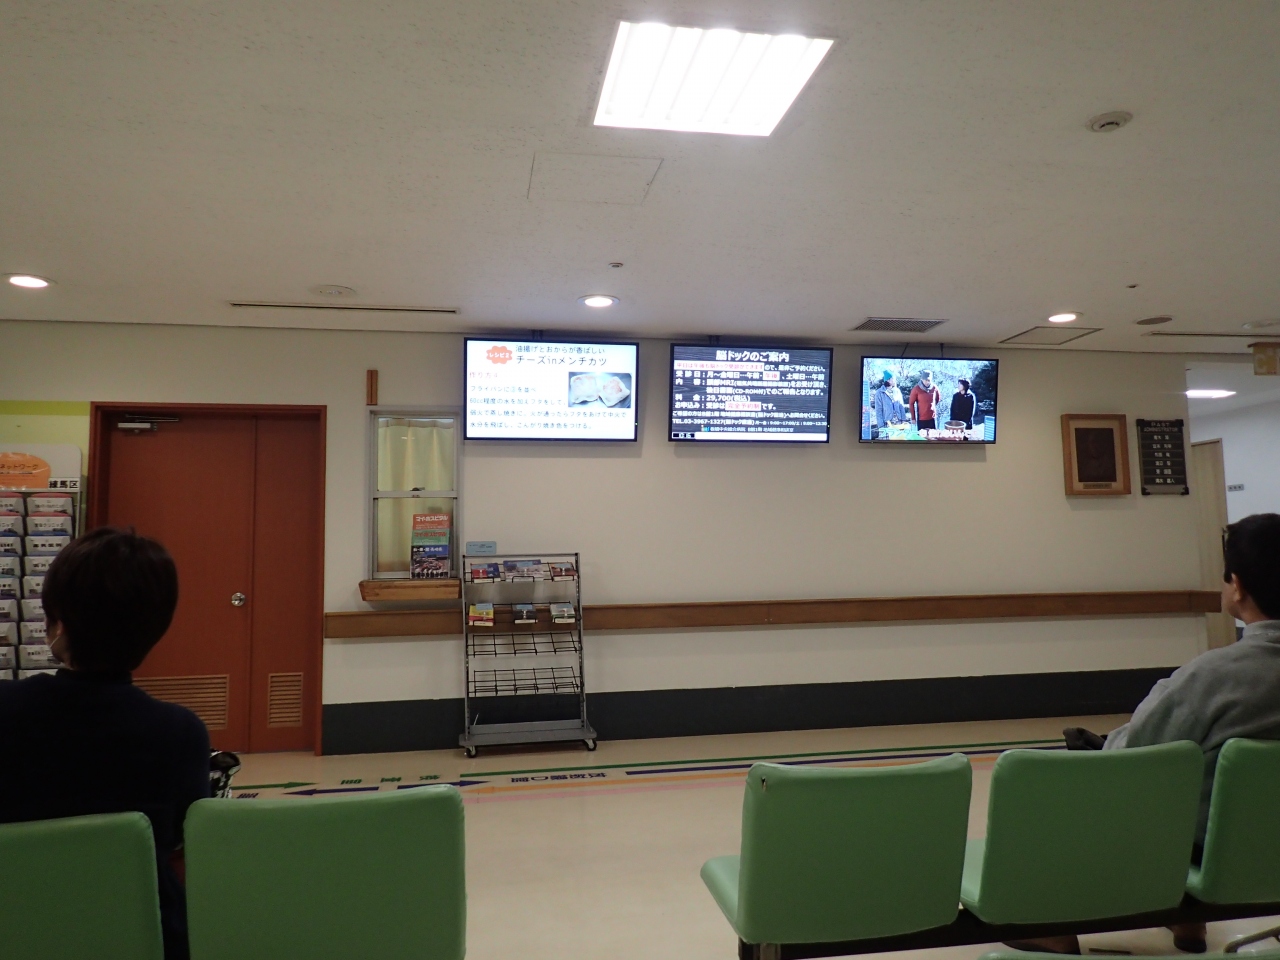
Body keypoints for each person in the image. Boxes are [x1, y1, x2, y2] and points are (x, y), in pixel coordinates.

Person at [1031, 513, 1280, 955]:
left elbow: (1131, 757)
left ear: (1237, 586)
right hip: (1264, 849)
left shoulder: (1212, 677)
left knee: (1071, 785)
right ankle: (1187, 917)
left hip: (1213, 852)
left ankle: (1050, 924)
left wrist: (1104, 744)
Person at [0, 528, 209, 960]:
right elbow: (181, 849)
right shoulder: (180, 733)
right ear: (155, 628)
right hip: (144, 936)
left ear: (58, 623)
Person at [872, 371, 906, 436]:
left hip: (898, 422)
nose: (895, 380)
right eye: (893, 378)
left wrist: (903, 420)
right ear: (888, 380)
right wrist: (881, 426)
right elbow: (878, 410)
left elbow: (901, 406)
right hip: (887, 423)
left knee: (900, 439)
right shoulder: (879, 392)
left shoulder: (897, 391)